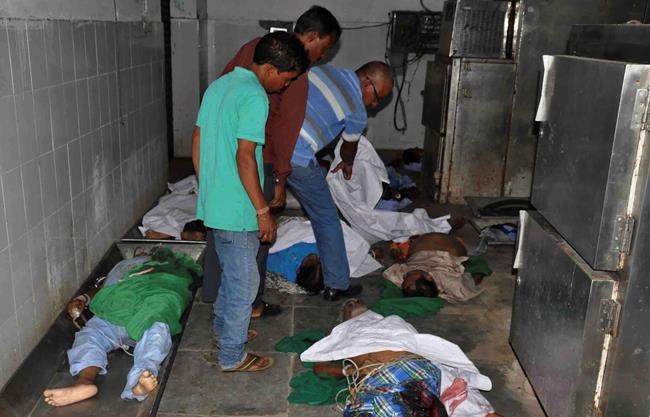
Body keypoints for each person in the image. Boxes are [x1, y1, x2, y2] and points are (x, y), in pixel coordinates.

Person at [195, 6, 342, 316]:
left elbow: (217, 105)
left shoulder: (254, 49)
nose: (323, 56)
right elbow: (286, 129)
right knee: (256, 236)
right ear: (311, 37)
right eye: (325, 47)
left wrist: (207, 173)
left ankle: (219, 296)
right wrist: (280, 178)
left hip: (225, 156)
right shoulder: (293, 70)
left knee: (221, 233)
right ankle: (249, 304)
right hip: (257, 158)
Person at [194, 32, 308, 371]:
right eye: (287, 79)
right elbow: (246, 157)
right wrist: (262, 211)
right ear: (271, 69)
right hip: (239, 207)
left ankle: (224, 331)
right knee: (245, 284)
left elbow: (198, 138)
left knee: (232, 275)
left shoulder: (219, 86)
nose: (286, 86)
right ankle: (232, 355)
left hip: (216, 203)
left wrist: (208, 184)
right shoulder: (255, 97)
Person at [285, 61, 394, 300]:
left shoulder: (322, 71)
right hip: (298, 156)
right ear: (366, 82)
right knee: (327, 218)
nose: (374, 105)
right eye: (377, 98)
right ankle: (337, 284)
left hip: (273, 145)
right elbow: (348, 147)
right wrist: (347, 163)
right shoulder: (357, 111)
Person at [42, 249, 201, 407]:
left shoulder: (170, 267)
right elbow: (103, 288)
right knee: (90, 334)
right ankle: (84, 382)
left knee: (157, 331)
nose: (142, 253)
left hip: (148, 311)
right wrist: (82, 299)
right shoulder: (123, 266)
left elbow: (175, 288)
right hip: (115, 309)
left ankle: (139, 382)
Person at [303, 300, 501, 417]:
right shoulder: (365, 338)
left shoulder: (359, 338)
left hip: (410, 372)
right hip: (415, 372)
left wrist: (343, 371)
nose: (352, 307)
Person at [384, 232, 485, 301]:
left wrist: (398, 259)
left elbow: (394, 269)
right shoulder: (446, 279)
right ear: (428, 277)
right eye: (410, 277)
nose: (405, 276)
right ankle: (453, 231)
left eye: (405, 279)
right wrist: (479, 274)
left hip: (420, 241)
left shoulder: (400, 276)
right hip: (449, 244)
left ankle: (450, 229)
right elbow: (466, 291)